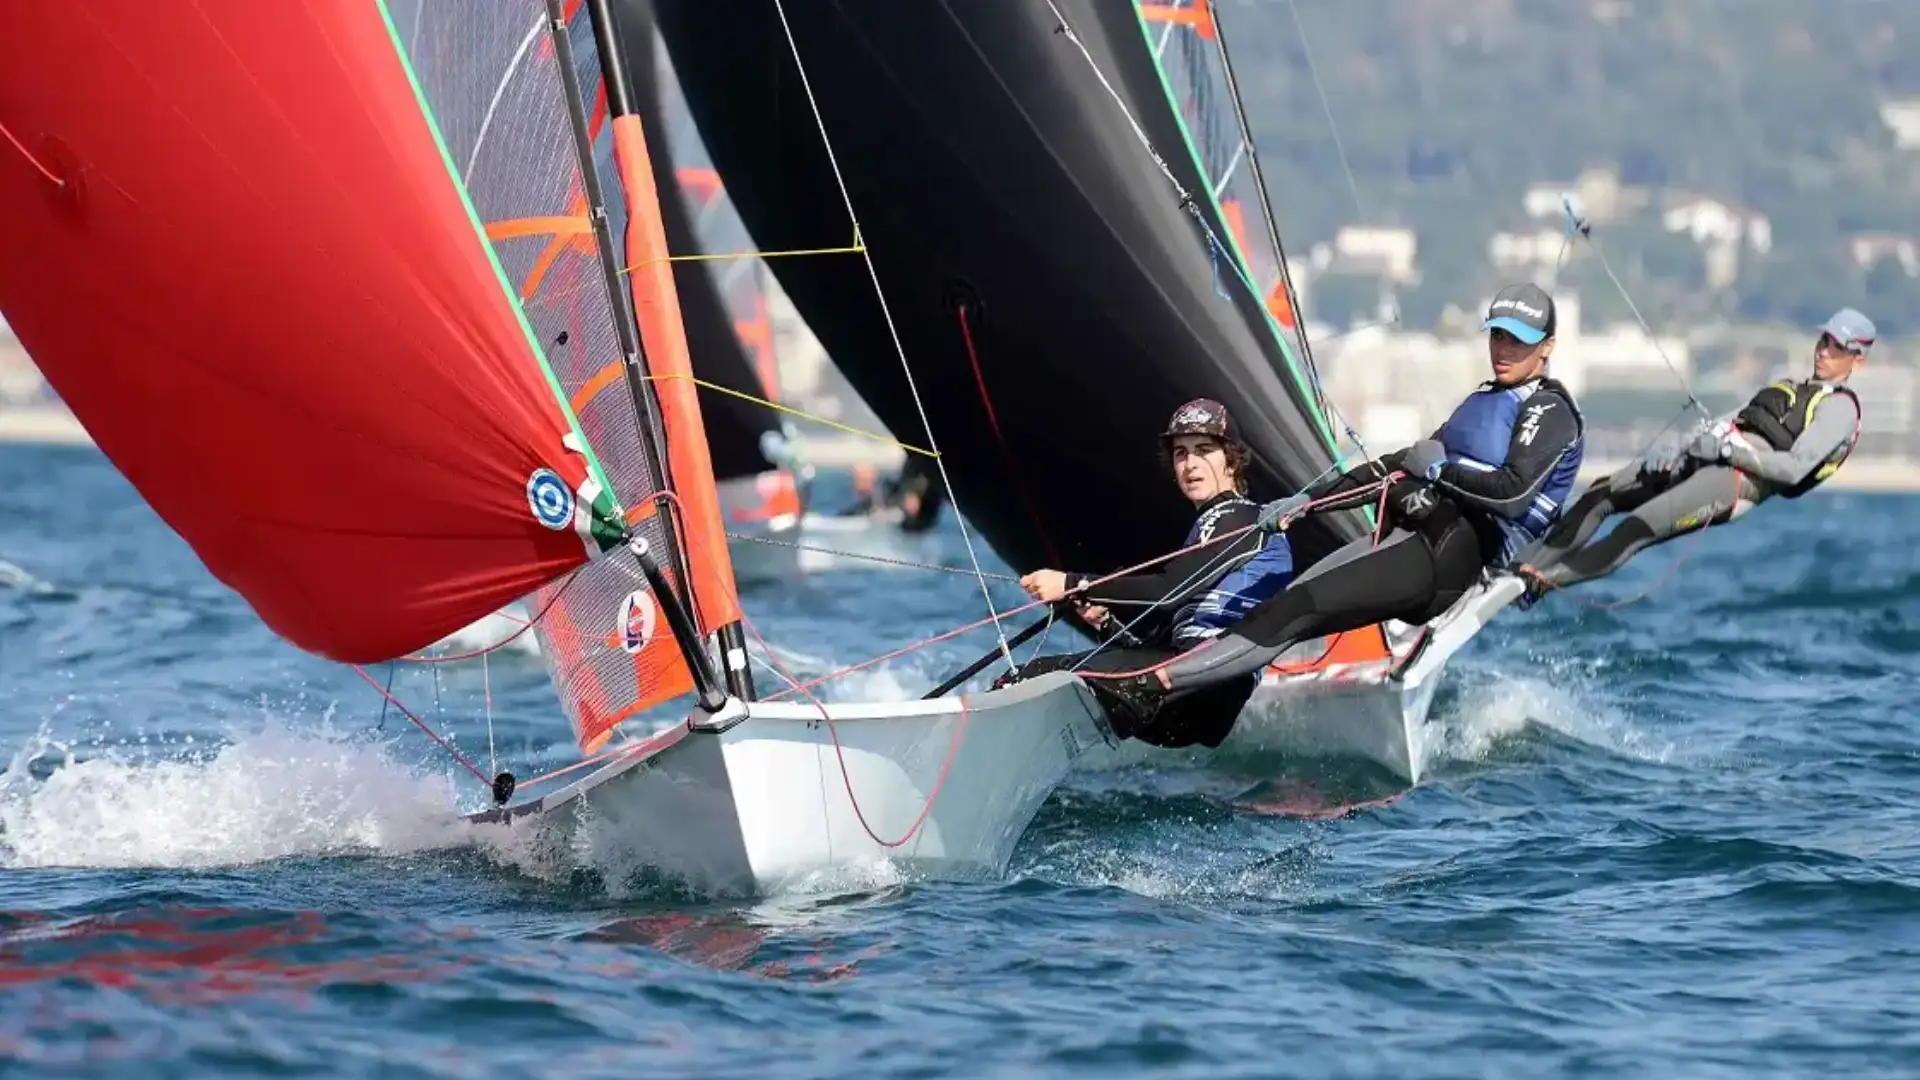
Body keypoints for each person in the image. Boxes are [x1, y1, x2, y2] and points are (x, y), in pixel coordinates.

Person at [1095, 283, 1585, 717]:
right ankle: (1184, 689)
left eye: (1518, 340)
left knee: (1296, 608)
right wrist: (1304, 503)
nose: (1503, 349)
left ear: (1547, 347)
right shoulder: (1483, 400)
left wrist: (1437, 470)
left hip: (1448, 553)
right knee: (1284, 608)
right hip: (1415, 534)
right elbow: (1395, 467)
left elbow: (1512, 494)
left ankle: (1158, 683)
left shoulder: (1551, 409)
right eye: (1497, 335)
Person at [996, 398, 1297, 748]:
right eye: (1181, 453)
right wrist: (1106, 624)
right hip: (1195, 694)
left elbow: (1168, 591)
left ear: (1231, 459)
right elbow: (1162, 648)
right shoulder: (1215, 524)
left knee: (1027, 680)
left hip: (1204, 684)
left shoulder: (1240, 517)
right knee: (1067, 688)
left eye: (1204, 450)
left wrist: (1071, 583)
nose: (1190, 464)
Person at [1513, 307, 1870, 601]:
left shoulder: (1840, 409)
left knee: (1636, 528)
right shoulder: (1790, 386)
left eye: (1838, 347)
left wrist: (1729, 451)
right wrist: (1680, 445)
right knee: (1602, 493)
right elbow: (1730, 421)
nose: (1824, 351)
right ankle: (1523, 567)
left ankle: (1540, 582)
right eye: (1824, 340)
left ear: (1857, 360)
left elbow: (1792, 469)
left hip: (1736, 482)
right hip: (1704, 456)